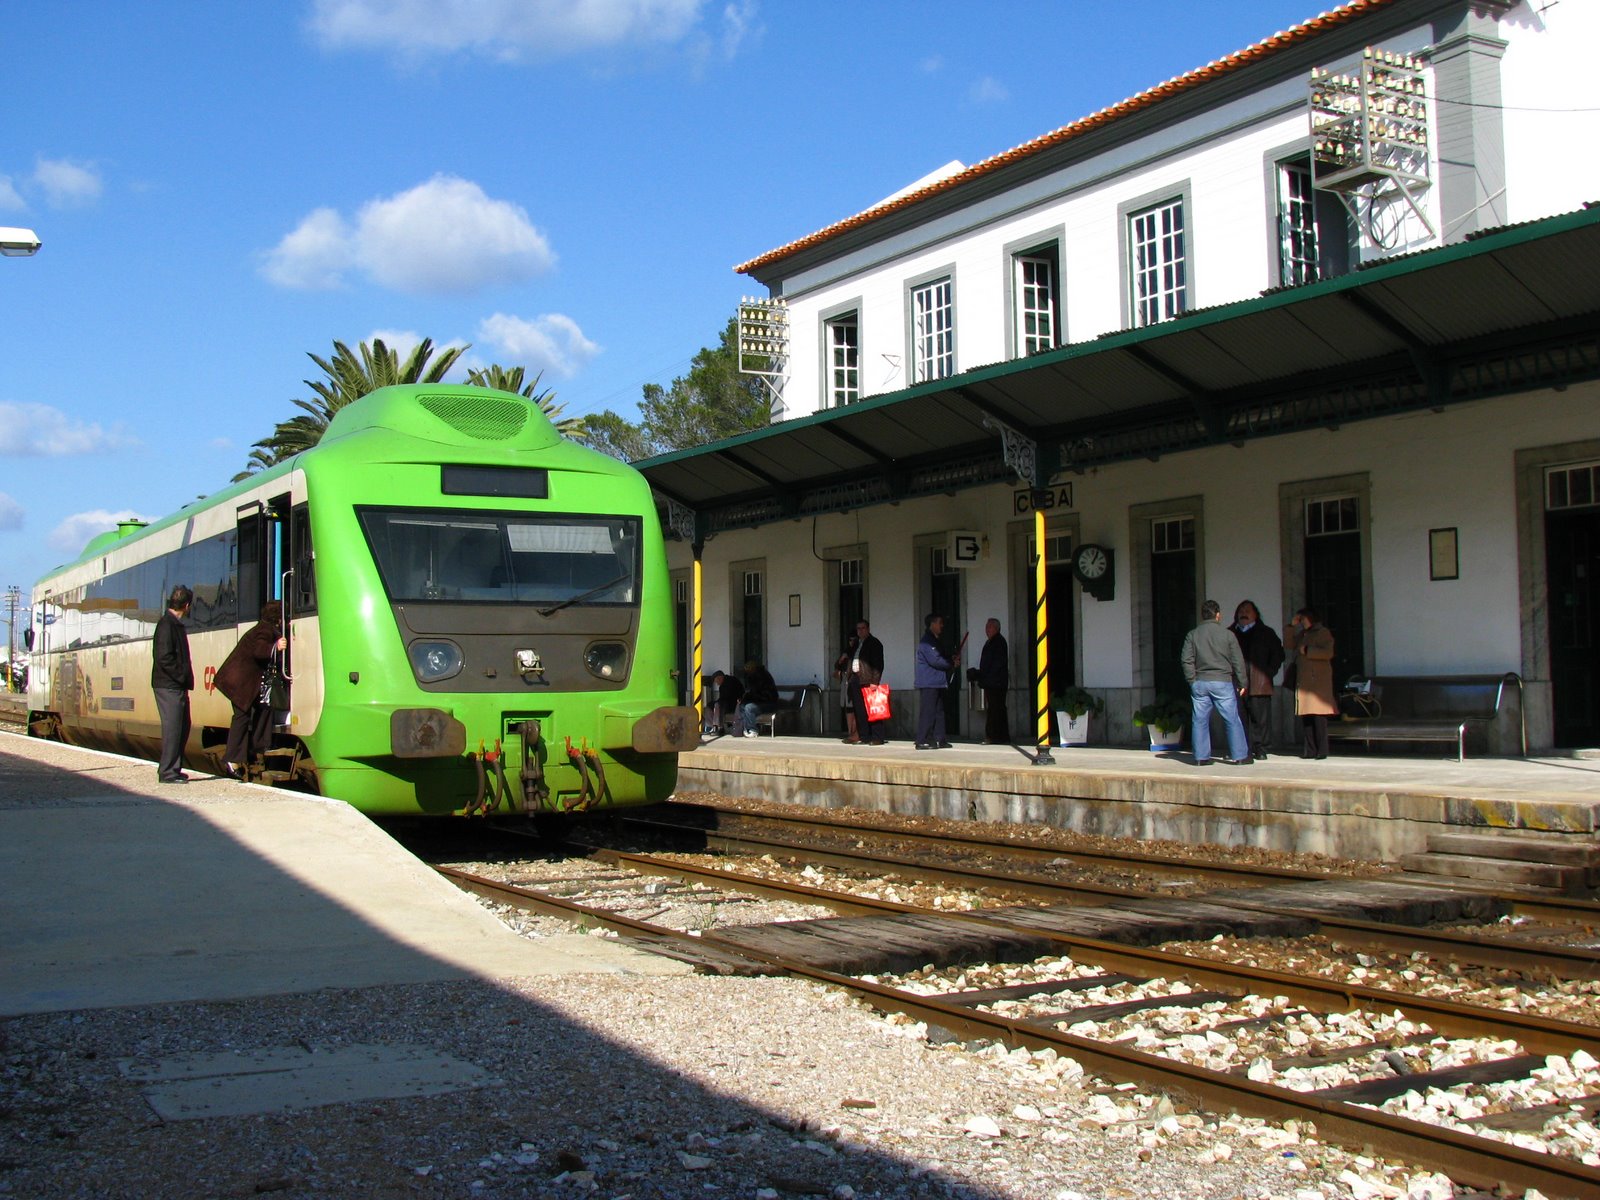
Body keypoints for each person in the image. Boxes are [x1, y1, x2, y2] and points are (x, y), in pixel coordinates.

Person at [214, 600, 287, 779]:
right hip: (240, 683)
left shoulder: (263, 627)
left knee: (263, 707)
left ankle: (258, 746)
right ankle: (232, 759)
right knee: (241, 717)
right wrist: (276, 647)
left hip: (242, 682)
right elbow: (259, 651)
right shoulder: (265, 630)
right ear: (278, 618)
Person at [1180, 598, 1250, 766]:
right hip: (1222, 681)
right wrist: (1242, 682)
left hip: (1200, 681)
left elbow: (1186, 660)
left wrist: (1192, 680)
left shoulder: (1193, 635)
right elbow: (1237, 661)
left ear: (1203, 616)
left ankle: (1201, 757)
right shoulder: (1228, 635)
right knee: (1231, 719)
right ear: (1218, 615)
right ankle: (1240, 755)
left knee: (1199, 721)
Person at [1229, 600, 1284, 761]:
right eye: (1241, 611)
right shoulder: (1230, 633)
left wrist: (1269, 672)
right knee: (1239, 717)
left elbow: (1278, 654)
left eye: (1247, 611)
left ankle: (1260, 748)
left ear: (1255, 614)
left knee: (1260, 718)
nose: (1243, 614)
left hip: (1259, 683)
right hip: (1236, 682)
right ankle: (1242, 748)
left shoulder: (1266, 633)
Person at [150, 585, 194, 784]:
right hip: (169, 685)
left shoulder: (171, 624)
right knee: (173, 728)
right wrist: (182, 676)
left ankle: (174, 768)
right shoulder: (167, 625)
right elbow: (164, 657)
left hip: (174, 685)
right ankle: (168, 772)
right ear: (187, 605)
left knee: (182, 726)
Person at [1284, 607, 1337, 759]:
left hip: (1318, 681)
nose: (1301, 621)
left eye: (1303, 618)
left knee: (1319, 717)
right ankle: (1311, 750)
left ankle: (1322, 750)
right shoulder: (1302, 634)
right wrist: (1291, 626)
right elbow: (1288, 644)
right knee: (1306, 716)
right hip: (1304, 680)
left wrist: (1308, 650)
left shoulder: (1322, 632)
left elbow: (1328, 652)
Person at [914, 613, 960, 750]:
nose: (942, 626)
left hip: (937, 681)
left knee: (939, 712)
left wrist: (950, 658)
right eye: (939, 623)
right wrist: (951, 663)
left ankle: (940, 739)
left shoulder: (935, 641)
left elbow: (942, 656)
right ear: (932, 624)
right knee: (928, 711)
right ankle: (922, 740)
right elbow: (936, 660)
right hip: (929, 682)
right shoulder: (927, 642)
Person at [848, 619, 887, 745]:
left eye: (863, 628)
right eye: (858, 629)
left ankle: (877, 737)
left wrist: (875, 681)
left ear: (868, 629)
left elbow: (878, 664)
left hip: (868, 679)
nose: (860, 631)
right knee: (860, 710)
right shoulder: (856, 644)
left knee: (874, 708)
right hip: (856, 679)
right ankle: (864, 736)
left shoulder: (874, 643)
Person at [975, 617, 1010, 744]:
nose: (987, 629)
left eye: (989, 627)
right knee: (996, 709)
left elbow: (997, 664)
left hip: (996, 682)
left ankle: (993, 736)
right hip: (992, 682)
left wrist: (987, 676)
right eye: (986, 627)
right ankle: (1000, 736)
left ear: (996, 628)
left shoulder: (999, 642)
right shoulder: (990, 642)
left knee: (996, 710)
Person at [739, 659, 779, 738]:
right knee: (742, 706)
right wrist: (744, 699)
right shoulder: (753, 677)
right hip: (759, 702)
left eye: (748, 670)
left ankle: (753, 730)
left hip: (769, 703)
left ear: (752, 669)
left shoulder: (763, 677)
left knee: (749, 707)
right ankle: (746, 728)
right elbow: (753, 693)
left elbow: (764, 695)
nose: (747, 672)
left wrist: (750, 697)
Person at [834, 632, 861, 743]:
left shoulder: (858, 651)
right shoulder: (846, 651)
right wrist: (841, 659)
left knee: (855, 706)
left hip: (855, 679)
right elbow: (837, 665)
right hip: (845, 679)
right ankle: (850, 731)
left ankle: (855, 731)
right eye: (850, 640)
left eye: (854, 640)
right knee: (848, 706)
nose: (851, 642)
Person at [709, 669, 743, 734]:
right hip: (729, 703)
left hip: (735, 704)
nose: (717, 684)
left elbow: (727, 697)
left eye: (716, 681)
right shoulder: (723, 685)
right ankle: (711, 726)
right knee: (710, 707)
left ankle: (718, 727)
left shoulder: (730, 682)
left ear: (720, 678)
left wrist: (716, 702)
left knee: (718, 705)